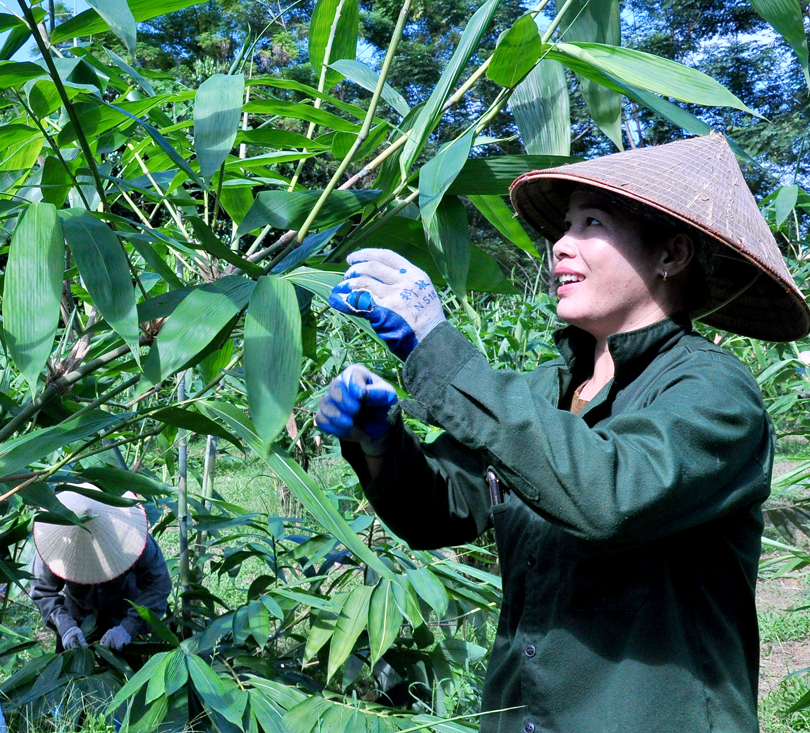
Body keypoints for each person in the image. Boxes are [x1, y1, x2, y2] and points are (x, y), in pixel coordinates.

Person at [315, 133, 810, 733]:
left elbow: (608, 495)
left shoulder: (715, 393)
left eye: (591, 223)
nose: (561, 248)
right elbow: (441, 512)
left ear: (672, 254)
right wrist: (378, 443)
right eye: (563, 227)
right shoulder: (541, 391)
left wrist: (441, 355)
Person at [27, 485, 171, 653]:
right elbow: (42, 591)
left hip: (122, 609)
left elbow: (158, 584)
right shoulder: (54, 543)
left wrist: (130, 627)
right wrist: (65, 626)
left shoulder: (135, 538)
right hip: (75, 611)